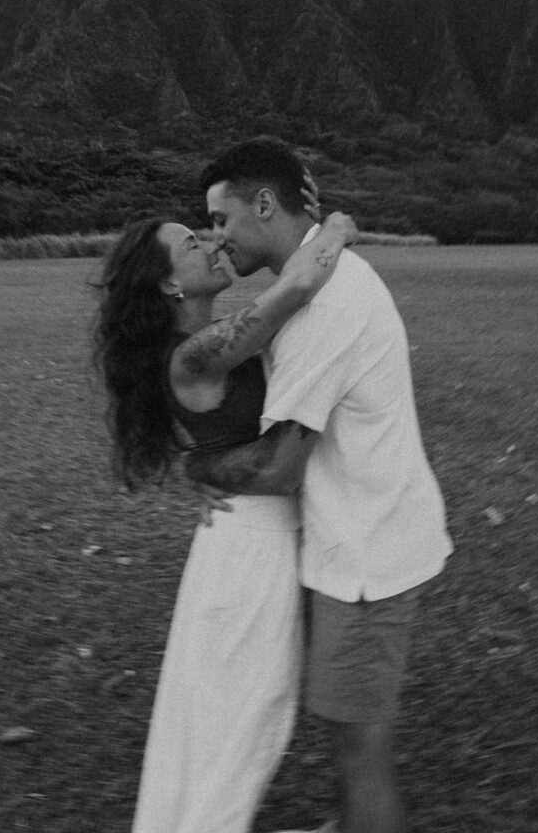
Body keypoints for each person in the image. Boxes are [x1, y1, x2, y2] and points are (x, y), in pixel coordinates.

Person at [191, 137, 453, 833]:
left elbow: (280, 468)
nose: (217, 237)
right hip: (354, 539)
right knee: (347, 737)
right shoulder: (316, 279)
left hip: (367, 557)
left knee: (358, 751)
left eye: (221, 219)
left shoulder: (325, 306)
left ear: (265, 204)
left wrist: (200, 468)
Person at [94, 198, 357, 833]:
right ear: (170, 283)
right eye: (191, 244)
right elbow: (297, 284)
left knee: (223, 721)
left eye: (207, 230)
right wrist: (339, 228)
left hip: (243, 546)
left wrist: (198, 467)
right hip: (246, 555)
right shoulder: (193, 356)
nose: (212, 242)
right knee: (245, 723)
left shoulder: (205, 345)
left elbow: (212, 439)